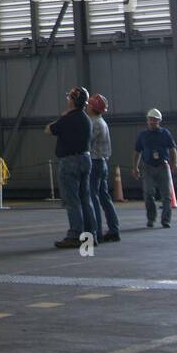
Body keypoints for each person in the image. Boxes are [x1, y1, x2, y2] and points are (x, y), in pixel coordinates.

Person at [46, 86, 97, 249]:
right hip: (85, 159)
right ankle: (90, 235)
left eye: (69, 98)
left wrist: (62, 117)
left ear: (73, 100)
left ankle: (75, 235)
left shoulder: (68, 118)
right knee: (85, 199)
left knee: (72, 201)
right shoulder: (86, 119)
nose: (67, 100)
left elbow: (48, 129)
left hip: (69, 162)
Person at [133, 108, 177, 229]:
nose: (152, 122)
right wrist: (135, 167)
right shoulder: (143, 135)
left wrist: (174, 164)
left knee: (166, 196)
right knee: (148, 193)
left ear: (159, 121)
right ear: (147, 120)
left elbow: (172, 149)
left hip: (163, 167)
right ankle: (151, 218)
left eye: (155, 120)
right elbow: (137, 151)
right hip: (148, 167)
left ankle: (166, 220)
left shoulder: (165, 134)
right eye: (150, 119)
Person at [88, 93, 120, 243]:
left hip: (94, 162)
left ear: (92, 107)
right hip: (103, 162)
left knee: (93, 196)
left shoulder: (94, 123)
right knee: (104, 196)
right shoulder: (102, 121)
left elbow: (87, 141)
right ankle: (114, 229)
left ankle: (97, 231)